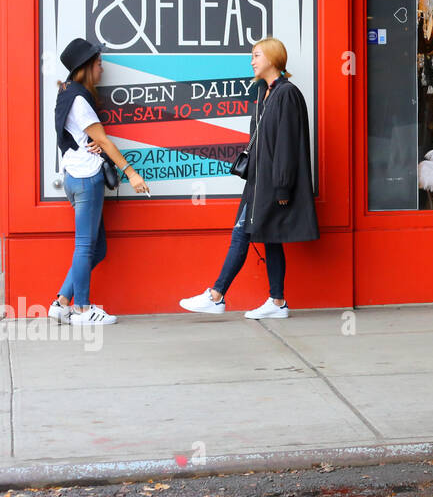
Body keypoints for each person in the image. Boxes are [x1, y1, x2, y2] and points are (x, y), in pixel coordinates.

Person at [180, 38, 318, 318]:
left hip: (271, 185)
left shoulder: (287, 94)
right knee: (270, 237)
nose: (251, 61)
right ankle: (277, 302)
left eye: (256, 55)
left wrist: (282, 187)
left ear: (272, 58)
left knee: (241, 234)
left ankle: (217, 295)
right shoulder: (263, 94)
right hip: (258, 182)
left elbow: (287, 145)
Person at [49, 38, 150, 326]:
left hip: (74, 176)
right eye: (98, 64)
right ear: (85, 68)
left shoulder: (66, 93)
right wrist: (131, 172)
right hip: (86, 178)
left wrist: (88, 142)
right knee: (84, 246)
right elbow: (103, 141)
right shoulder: (79, 99)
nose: (102, 69)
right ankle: (82, 309)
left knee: (97, 248)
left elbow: (85, 138)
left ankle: (62, 302)